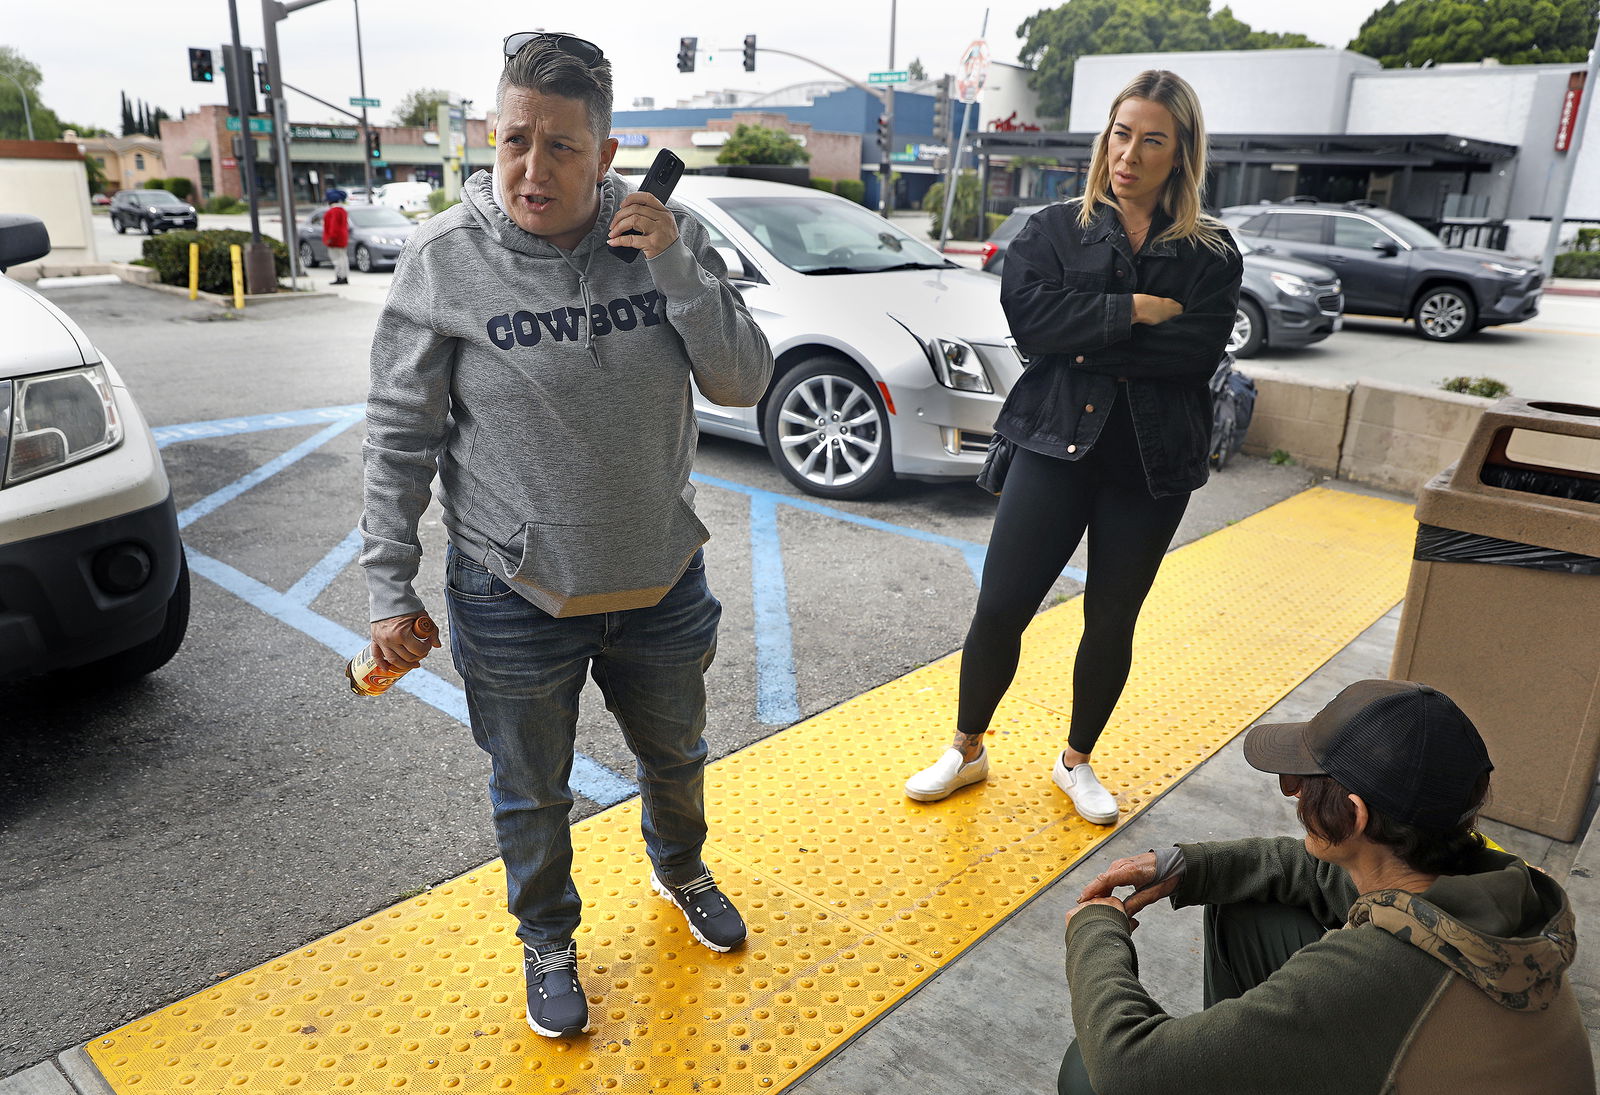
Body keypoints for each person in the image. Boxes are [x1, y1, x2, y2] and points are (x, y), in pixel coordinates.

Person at [357, 32, 773, 1039]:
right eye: (515, 141)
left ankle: (680, 869)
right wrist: (388, 588)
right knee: (530, 792)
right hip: (513, 593)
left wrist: (673, 264)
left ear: (607, 153)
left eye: (561, 147)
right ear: (492, 137)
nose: (531, 171)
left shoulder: (667, 236)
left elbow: (742, 380)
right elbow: (399, 435)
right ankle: (546, 935)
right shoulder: (445, 262)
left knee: (676, 757)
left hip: (660, 576)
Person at [905, 70, 1242, 824]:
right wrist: (1135, 311)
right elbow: (1031, 325)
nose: (1130, 154)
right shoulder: (1054, 229)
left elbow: (1193, 352)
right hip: (1053, 445)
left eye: (1152, 140)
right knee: (1001, 607)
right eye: (1121, 134)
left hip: (1152, 462)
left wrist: (1084, 331)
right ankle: (966, 747)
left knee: (1111, 618)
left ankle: (1076, 760)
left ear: (1181, 151)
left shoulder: (1211, 252)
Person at [1056, 679, 1593, 1095]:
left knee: (1086, 1072)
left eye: (1302, 782)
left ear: (1354, 815)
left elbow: (1130, 1067)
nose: (1291, 792)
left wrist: (1096, 929)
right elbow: (1315, 873)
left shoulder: (1375, 972)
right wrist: (1188, 865)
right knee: (1251, 900)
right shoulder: (1488, 883)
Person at [322, 190, 350, 285]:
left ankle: (340, 277)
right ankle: (344, 276)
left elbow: (333, 226)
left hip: (335, 239)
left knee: (337, 259)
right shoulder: (342, 210)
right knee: (343, 258)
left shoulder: (333, 211)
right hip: (342, 238)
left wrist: (330, 238)